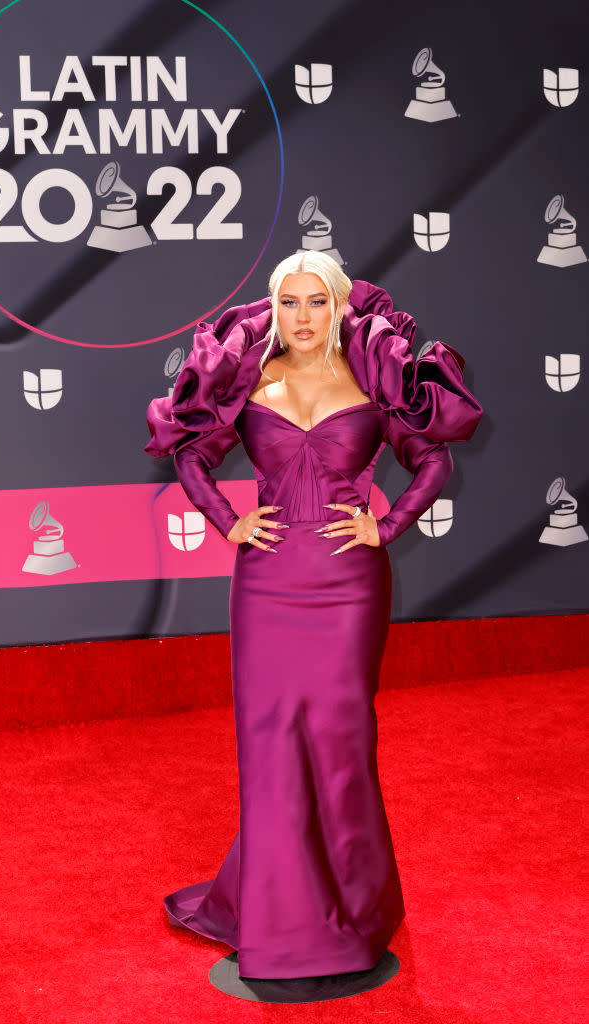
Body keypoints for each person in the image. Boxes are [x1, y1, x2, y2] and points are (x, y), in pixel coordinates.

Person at [145, 251, 483, 982]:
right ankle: (277, 917)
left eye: (316, 302)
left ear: (338, 308)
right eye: (289, 302)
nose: (302, 317)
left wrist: (385, 526)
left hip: (347, 584)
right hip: (266, 582)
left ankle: (353, 912)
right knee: (268, 747)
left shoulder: (370, 379)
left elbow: (432, 461)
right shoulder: (250, 379)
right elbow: (191, 451)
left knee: (338, 742)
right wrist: (226, 521)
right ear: (275, 308)